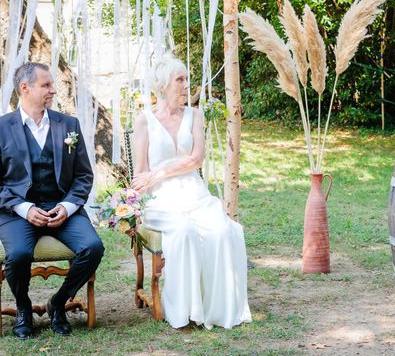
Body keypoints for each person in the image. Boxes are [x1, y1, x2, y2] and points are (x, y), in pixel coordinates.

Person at [131, 55, 251, 329]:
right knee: (183, 231)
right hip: (160, 198)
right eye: (180, 80)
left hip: (194, 192)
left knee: (221, 232)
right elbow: (141, 173)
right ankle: (186, 309)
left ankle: (217, 309)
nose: (187, 85)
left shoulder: (195, 116)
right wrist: (135, 208)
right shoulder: (144, 121)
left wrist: (161, 171)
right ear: (163, 86)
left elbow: (196, 159)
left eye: (187, 79)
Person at [0, 62, 104, 339]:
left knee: (93, 247)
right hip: (16, 211)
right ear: (25, 88)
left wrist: (67, 206)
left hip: (62, 208)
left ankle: (58, 302)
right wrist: (24, 208)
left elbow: (83, 175)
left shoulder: (68, 124)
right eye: (46, 85)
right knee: (19, 255)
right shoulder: (1, 128)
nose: (53, 90)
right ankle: (23, 307)